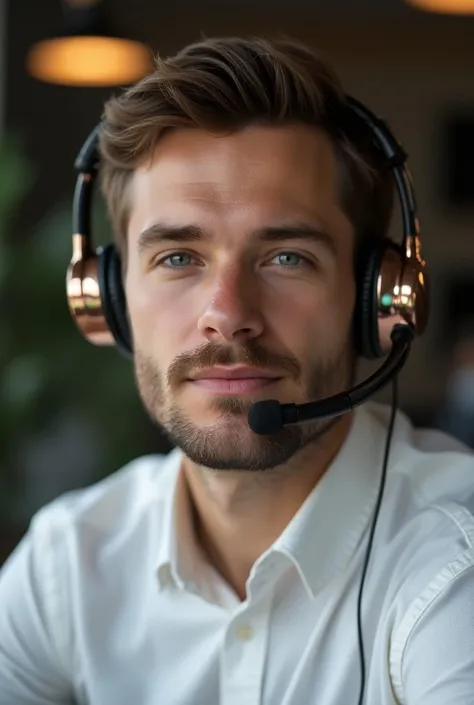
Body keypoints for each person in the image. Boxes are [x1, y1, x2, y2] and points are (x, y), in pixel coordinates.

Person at [1, 36, 473, 705]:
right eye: (176, 258)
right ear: (107, 298)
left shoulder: (454, 564)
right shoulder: (65, 566)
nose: (227, 315)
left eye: (286, 257)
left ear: (376, 297)